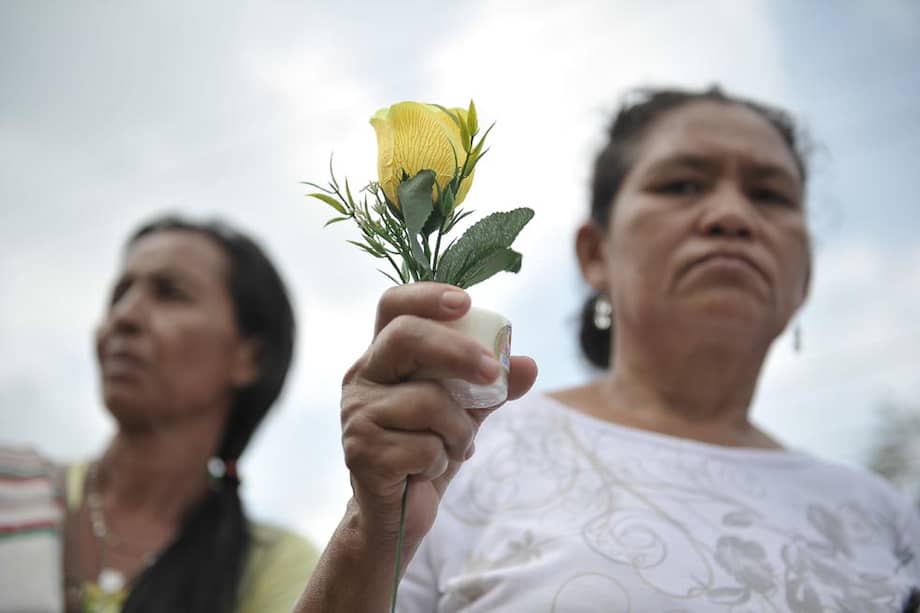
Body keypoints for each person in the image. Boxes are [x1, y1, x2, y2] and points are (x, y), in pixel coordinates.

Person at [295, 86, 920, 612]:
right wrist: (372, 529)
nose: (732, 216)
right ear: (595, 254)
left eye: (770, 195)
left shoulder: (884, 518)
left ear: (804, 274)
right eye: (682, 184)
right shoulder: (457, 449)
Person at [0, 216, 318, 612]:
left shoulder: (274, 568)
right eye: (120, 294)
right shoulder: (13, 493)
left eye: (171, 294)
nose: (124, 317)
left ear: (248, 357)